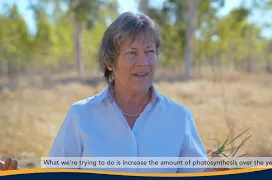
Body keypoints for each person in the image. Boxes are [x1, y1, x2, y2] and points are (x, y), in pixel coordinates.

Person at [1, 12, 226, 173]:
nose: (144, 62)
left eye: (150, 51)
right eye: (132, 53)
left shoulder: (179, 117)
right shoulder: (80, 116)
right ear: (110, 62)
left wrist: (214, 171)